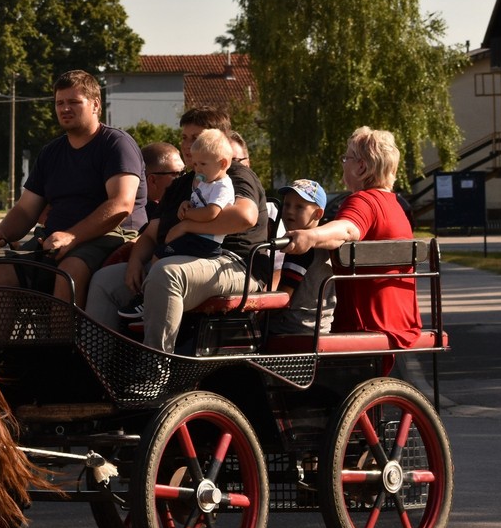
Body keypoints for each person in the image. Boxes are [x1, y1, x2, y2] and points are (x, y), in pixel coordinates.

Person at [85, 106, 267, 350]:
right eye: (184, 137)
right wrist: (135, 263)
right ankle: (100, 372)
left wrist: (187, 226)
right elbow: (151, 233)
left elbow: (245, 216)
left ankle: (155, 371)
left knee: (166, 272)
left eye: (196, 138)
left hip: (233, 263)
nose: (188, 145)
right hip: (181, 257)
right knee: (104, 281)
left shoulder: (234, 174)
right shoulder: (180, 184)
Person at [0, 71, 146, 306]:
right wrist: (1, 233)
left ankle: (62, 343)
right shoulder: (50, 153)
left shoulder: (116, 144)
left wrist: (72, 236)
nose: (65, 108)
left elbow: (121, 204)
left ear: (95, 104)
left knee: (68, 272)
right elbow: (26, 210)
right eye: (60, 103)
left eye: (74, 102)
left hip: (113, 236)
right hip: (54, 239)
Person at [283, 126, 421, 348]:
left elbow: (347, 229)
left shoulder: (364, 201)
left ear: (362, 167)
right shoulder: (396, 206)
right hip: (400, 318)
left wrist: (310, 236)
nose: (343, 163)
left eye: (346, 158)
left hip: (363, 320)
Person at [266, 180, 335, 337]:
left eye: (299, 207)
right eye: (287, 205)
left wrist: (259, 314)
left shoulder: (299, 247)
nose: (289, 211)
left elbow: (283, 297)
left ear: (318, 214)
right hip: (319, 325)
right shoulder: (323, 246)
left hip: (294, 327)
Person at [158, 128, 236, 260]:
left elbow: (210, 212)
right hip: (194, 236)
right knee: (161, 252)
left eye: (203, 164)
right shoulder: (206, 182)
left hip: (206, 242)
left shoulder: (222, 186)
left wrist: (187, 214)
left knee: (162, 254)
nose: (198, 168)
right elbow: (198, 203)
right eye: (195, 163)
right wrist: (186, 204)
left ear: (223, 163)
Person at [142, 142, 185, 221]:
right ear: (153, 180)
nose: (185, 177)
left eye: (185, 172)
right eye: (178, 174)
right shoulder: (153, 217)